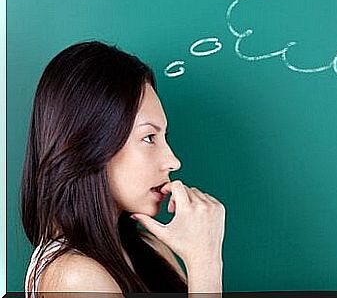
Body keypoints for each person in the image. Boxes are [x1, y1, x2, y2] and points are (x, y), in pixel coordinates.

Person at [21, 40, 226, 296]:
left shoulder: (149, 248)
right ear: (92, 144)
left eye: (164, 137)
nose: (173, 161)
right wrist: (206, 262)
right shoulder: (75, 278)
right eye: (149, 137)